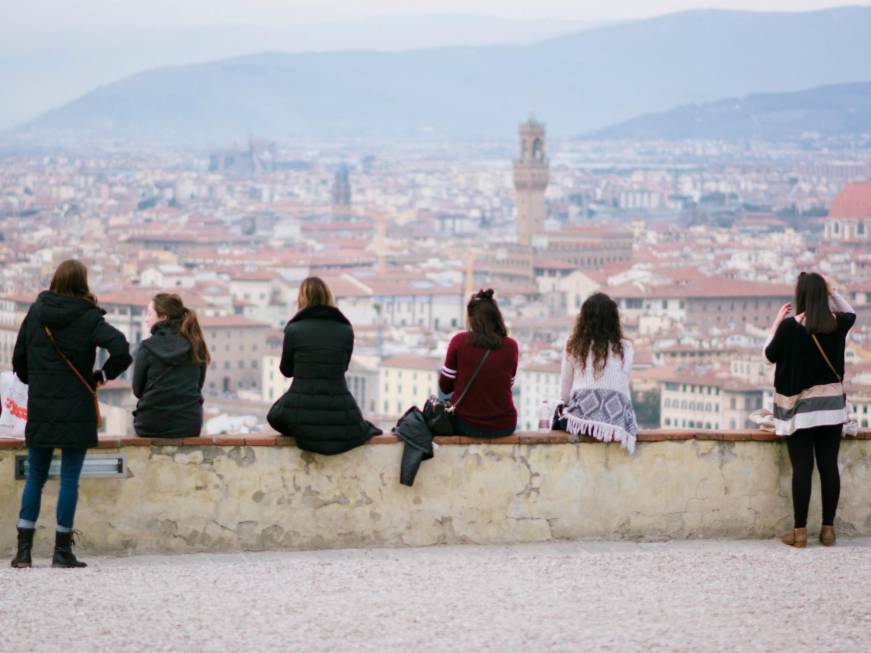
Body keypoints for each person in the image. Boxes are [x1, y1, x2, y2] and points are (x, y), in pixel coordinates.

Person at [10, 260, 132, 568]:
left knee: (35, 478)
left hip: (41, 407)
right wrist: (102, 375)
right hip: (76, 407)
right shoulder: (88, 316)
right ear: (83, 283)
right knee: (68, 481)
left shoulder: (36, 312)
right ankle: (61, 551)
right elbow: (121, 348)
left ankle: (23, 552)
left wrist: (35, 381)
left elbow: (18, 359)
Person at [765, 272, 855, 548]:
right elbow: (851, 312)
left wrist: (776, 323)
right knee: (829, 466)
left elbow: (770, 355)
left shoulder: (791, 328)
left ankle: (800, 532)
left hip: (800, 410)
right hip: (831, 409)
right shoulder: (837, 324)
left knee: (802, 468)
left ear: (800, 296)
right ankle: (828, 531)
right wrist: (832, 290)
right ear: (822, 294)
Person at [267, 277, 381, 454]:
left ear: (302, 298)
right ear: (328, 296)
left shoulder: (294, 329)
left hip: (300, 407)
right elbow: (343, 368)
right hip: (340, 407)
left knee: (274, 416)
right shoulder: (345, 329)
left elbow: (286, 371)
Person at [556, 293, 637, 453]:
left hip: (581, 420)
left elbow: (565, 394)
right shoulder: (626, 348)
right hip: (617, 420)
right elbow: (622, 383)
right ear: (614, 319)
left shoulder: (572, 345)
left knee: (556, 417)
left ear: (583, 319)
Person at [438, 289, 518, 437]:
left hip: (466, 425)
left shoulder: (459, 342)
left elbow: (445, 386)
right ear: (496, 318)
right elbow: (508, 384)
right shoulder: (511, 346)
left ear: (472, 319)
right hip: (504, 425)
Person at [132, 293, 209, 438]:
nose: (146, 319)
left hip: (150, 425)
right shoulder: (196, 345)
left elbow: (138, 390)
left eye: (149, 314)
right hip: (188, 425)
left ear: (163, 317)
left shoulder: (147, 347)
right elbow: (198, 385)